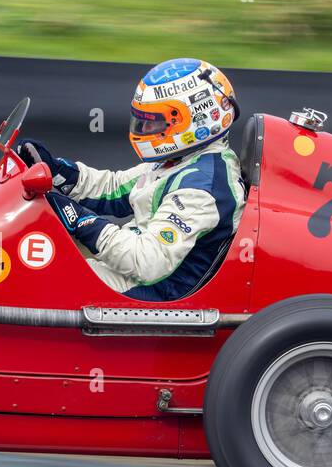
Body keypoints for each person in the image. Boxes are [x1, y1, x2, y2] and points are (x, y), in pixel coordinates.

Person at [18, 58, 246, 301]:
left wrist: (78, 219)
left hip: (156, 291)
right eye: (142, 120)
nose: (144, 129)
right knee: (36, 253)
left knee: (37, 278)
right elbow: (115, 189)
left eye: (153, 122)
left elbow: (146, 262)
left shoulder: (201, 187)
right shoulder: (184, 160)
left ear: (193, 121)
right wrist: (59, 172)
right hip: (138, 269)